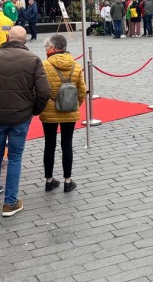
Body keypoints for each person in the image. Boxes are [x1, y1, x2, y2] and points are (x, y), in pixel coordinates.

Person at [0, 26, 50, 217]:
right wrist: (34, 111)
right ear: (25, 41)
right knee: (15, 157)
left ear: (7, 37)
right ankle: (10, 202)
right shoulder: (33, 60)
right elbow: (44, 92)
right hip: (21, 117)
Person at [40, 34, 86, 193]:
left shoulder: (44, 65)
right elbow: (81, 91)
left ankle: (49, 180)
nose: (46, 49)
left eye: (47, 47)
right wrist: (74, 105)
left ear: (53, 48)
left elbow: (40, 90)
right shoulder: (76, 65)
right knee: (67, 144)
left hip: (49, 110)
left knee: (49, 144)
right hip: (70, 110)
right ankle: (68, 181)